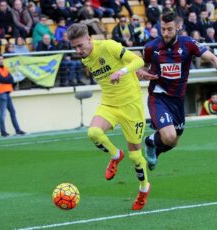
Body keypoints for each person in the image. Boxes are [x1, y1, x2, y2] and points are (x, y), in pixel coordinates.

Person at [67, 23, 154, 210]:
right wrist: (127, 71)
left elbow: (138, 60)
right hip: (109, 104)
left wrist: (122, 72)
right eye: (74, 47)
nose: (78, 50)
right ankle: (115, 155)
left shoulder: (109, 46)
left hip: (131, 106)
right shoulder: (85, 60)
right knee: (93, 133)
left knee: (135, 156)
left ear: (89, 38)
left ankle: (144, 188)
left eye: (80, 45)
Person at [137, 11, 217, 170]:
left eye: (169, 29)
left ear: (178, 27)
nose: (166, 33)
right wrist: (141, 72)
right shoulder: (151, 47)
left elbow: (213, 58)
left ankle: (152, 143)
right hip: (159, 96)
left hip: (178, 99)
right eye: (163, 29)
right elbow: (143, 66)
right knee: (169, 136)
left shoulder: (188, 43)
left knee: (173, 142)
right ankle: (152, 142)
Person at [0, 54, 26, 137]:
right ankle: (3, 132)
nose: (1, 60)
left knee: (13, 112)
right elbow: (2, 79)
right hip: (1, 93)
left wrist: (6, 80)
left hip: (7, 93)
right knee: (3, 113)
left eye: (2, 59)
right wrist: (7, 80)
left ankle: (18, 130)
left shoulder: (5, 68)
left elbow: (11, 79)